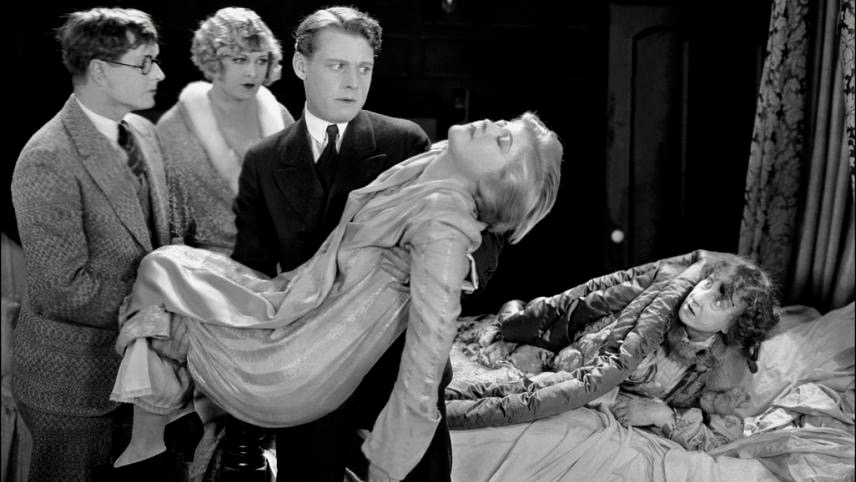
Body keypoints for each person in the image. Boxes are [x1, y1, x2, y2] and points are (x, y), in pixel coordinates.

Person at [107, 111, 563, 481]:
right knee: (164, 271)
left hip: (313, 358)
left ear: (493, 184)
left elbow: (431, 343)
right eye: (505, 125)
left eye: (504, 141)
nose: (493, 126)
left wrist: (393, 453)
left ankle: (159, 432)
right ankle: (155, 436)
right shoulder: (432, 163)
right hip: (302, 309)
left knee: (163, 279)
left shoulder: (443, 221)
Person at [228, 6, 504, 480]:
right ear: (301, 66)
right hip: (310, 376)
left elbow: (481, 232)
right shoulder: (263, 160)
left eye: (364, 68)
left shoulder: (405, 142)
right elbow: (251, 272)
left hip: (395, 373)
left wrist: (446, 266)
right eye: (338, 66)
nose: (353, 83)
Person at [9, 8, 169, 481]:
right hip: (74, 389)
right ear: (100, 70)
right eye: (144, 63)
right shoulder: (47, 156)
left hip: (144, 381)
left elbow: (166, 233)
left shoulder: (144, 132)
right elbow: (62, 289)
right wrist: (157, 313)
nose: (159, 74)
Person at [463, 251, 780, 451]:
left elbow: (723, 440)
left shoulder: (726, 371)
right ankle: (514, 311)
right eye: (706, 284)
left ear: (732, 327)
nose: (699, 296)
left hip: (603, 379)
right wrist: (605, 392)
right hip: (573, 346)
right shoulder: (660, 312)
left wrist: (664, 416)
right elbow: (593, 347)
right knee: (522, 335)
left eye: (719, 301)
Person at [158, 6, 295, 254]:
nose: (252, 72)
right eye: (239, 60)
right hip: (206, 263)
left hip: (284, 256)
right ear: (213, 60)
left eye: (261, 60)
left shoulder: (279, 114)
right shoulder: (175, 128)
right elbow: (169, 227)